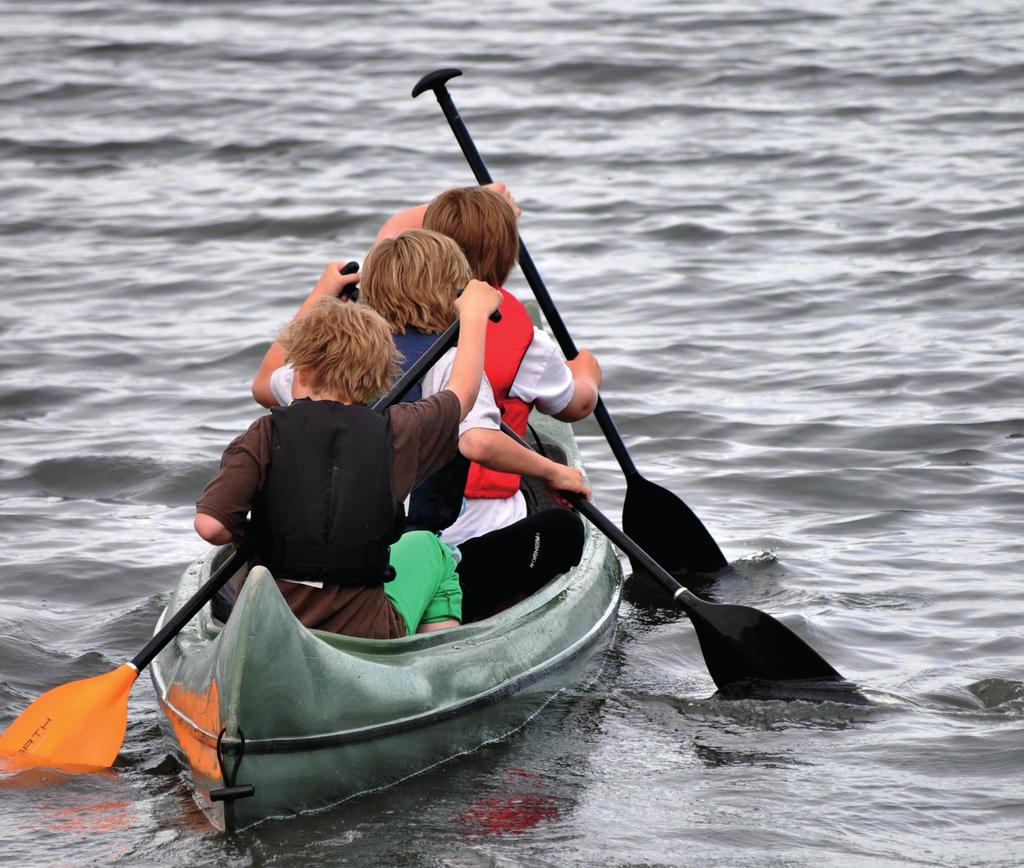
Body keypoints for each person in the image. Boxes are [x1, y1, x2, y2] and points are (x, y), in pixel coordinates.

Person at [251, 231, 591, 622]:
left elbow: (265, 382)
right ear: (454, 294)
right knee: (562, 529)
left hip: (325, 558)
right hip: (407, 563)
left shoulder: (335, 363)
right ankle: (466, 616)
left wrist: (322, 294)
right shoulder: (449, 366)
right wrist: (555, 471)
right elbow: (478, 443)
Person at [195, 281, 501, 639]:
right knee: (431, 549)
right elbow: (462, 394)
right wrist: (473, 315)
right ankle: (432, 658)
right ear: (375, 382)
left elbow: (210, 527)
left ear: (302, 372)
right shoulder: (399, 431)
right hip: (366, 630)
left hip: (272, 624)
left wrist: (252, 537)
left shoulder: (263, 434)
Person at [375, 185, 604, 618]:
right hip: (468, 528)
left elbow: (389, 236)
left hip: (390, 527)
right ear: (508, 258)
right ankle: (494, 599)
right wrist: (588, 375)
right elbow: (573, 405)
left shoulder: (374, 334)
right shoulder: (523, 338)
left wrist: (460, 203)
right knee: (563, 526)